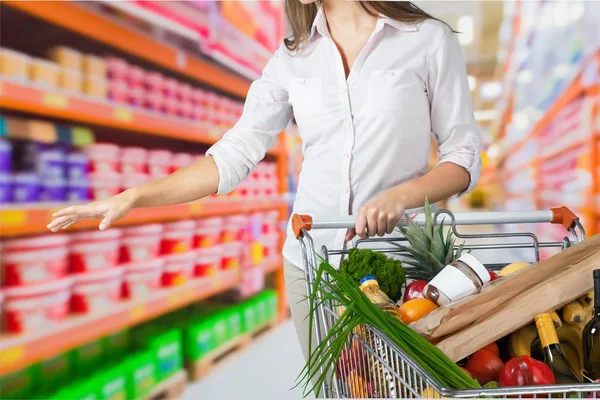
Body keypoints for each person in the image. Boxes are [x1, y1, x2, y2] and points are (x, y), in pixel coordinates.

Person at [48, 0, 481, 367]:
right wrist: (135, 196)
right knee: (340, 387)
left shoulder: (426, 39)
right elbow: (234, 154)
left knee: (402, 384)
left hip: (397, 261)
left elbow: (462, 157)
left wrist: (403, 195)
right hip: (311, 262)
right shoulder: (292, 58)